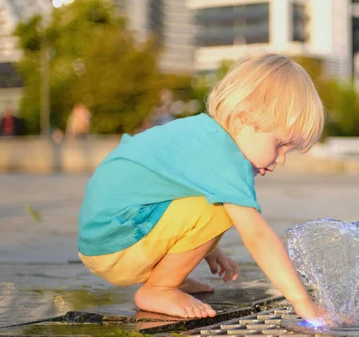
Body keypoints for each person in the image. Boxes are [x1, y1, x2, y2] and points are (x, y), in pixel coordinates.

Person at [77, 52, 327, 323]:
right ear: (243, 118)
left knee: (215, 201)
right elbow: (257, 237)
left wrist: (208, 248)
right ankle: (159, 288)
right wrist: (304, 303)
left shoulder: (202, 136)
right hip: (115, 243)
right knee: (222, 209)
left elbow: (166, 194)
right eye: (279, 144)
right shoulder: (224, 156)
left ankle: (171, 276)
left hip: (104, 237)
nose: (280, 159)